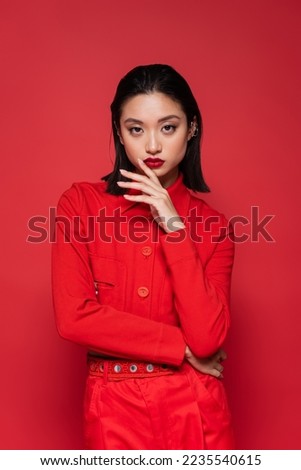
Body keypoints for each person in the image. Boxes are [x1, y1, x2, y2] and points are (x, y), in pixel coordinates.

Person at [51, 64, 235, 450]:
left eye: (168, 127)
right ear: (119, 131)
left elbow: (207, 340)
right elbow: (73, 318)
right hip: (113, 410)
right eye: (136, 129)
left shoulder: (214, 227)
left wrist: (174, 227)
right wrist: (178, 349)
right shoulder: (81, 205)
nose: (152, 146)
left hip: (196, 411)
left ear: (192, 127)